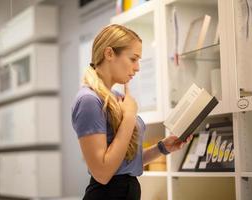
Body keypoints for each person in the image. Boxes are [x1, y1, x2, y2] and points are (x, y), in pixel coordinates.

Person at [71, 24, 192, 200]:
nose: (137, 68)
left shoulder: (117, 98)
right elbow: (103, 173)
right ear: (109, 53)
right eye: (133, 59)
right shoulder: (89, 100)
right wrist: (128, 117)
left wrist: (162, 148)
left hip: (127, 190)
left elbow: (122, 164)